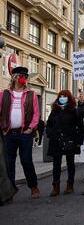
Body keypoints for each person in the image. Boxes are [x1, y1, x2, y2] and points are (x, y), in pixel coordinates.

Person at [0, 66, 40, 199]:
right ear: (15, 77)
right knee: (8, 162)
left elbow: (36, 114)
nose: (25, 79)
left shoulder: (31, 94)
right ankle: (9, 192)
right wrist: (3, 129)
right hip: (9, 133)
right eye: (23, 76)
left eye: (26, 76)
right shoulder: (4, 93)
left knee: (26, 160)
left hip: (25, 134)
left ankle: (33, 186)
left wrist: (31, 128)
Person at [46, 90, 84, 197]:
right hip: (56, 140)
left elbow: (80, 127)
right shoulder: (55, 111)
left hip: (69, 140)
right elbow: (49, 124)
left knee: (70, 163)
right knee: (56, 164)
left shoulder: (73, 111)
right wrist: (50, 133)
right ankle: (56, 186)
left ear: (69, 98)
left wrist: (78, 141)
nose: (62, 98)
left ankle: (70, 184)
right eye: (60, 96)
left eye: (65, 96)